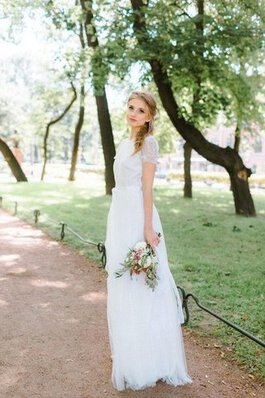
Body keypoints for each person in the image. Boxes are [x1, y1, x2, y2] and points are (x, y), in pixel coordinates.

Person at [104, 91, 192, 391]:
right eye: (131, 107)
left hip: (138, 218)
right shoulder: (126, 141)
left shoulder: (149, 144)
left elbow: (147, 189)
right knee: (124, 284)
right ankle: (130, 354)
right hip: (120, 215)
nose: (133, 113)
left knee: (142, 285)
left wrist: (147, 229)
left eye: (140, 110)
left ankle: (150, 360)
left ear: (150, 116)